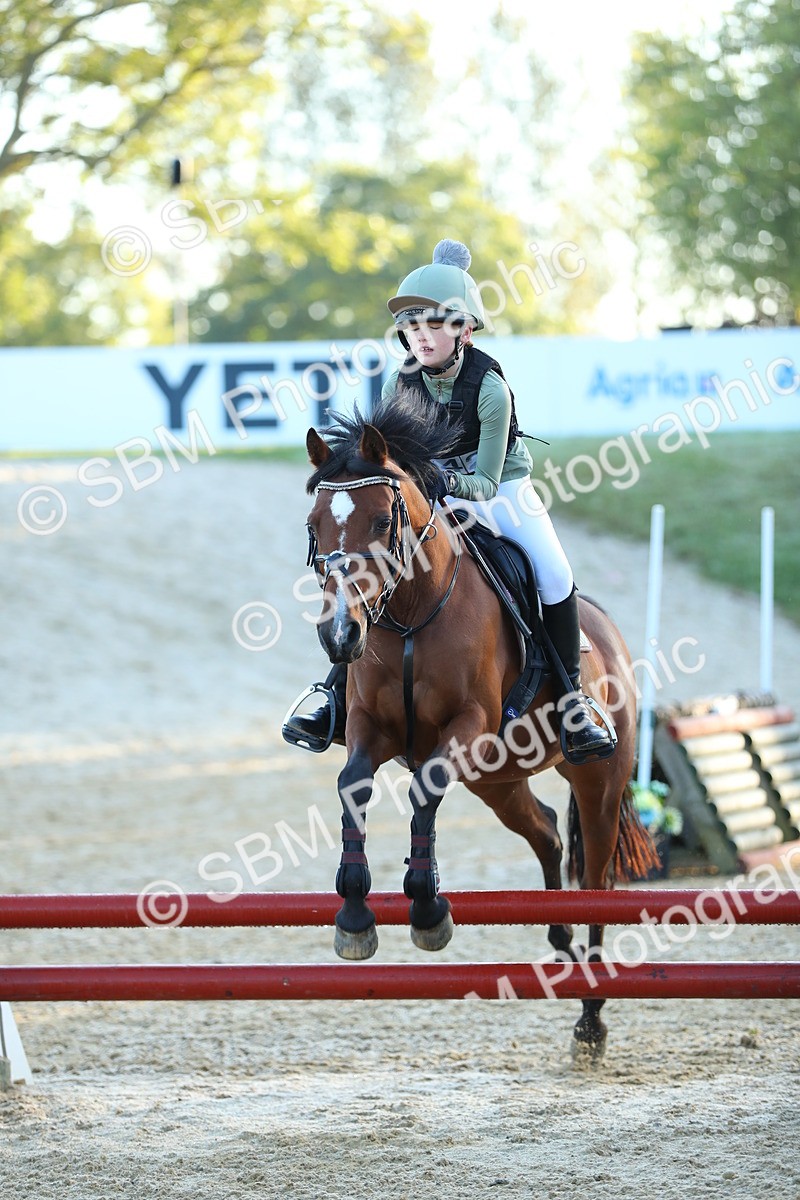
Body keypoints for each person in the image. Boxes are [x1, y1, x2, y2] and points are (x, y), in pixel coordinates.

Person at [282, 239, 615, 764]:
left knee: (554, 573)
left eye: (434, 326)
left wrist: (440, 480)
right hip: (430, 498)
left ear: (464, 329)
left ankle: (574, 701)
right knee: (376, 567)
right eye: (413, 328)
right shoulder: (401, 380)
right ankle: (331, 695)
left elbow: (483, 483)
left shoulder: (490, 389)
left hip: (501, 492)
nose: (422, 337)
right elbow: (388, 463)